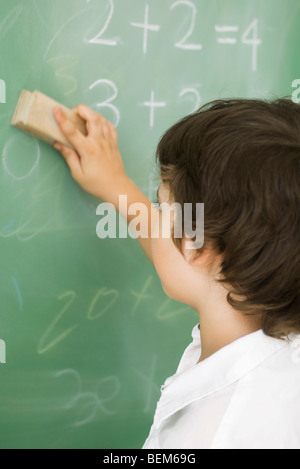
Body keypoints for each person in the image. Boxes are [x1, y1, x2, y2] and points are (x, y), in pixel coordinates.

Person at [53, 98, 300, 449]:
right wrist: (115, 186)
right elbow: (179, 250)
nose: (156, 218)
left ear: (194, 244)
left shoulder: (216, 433)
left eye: (161, 205)